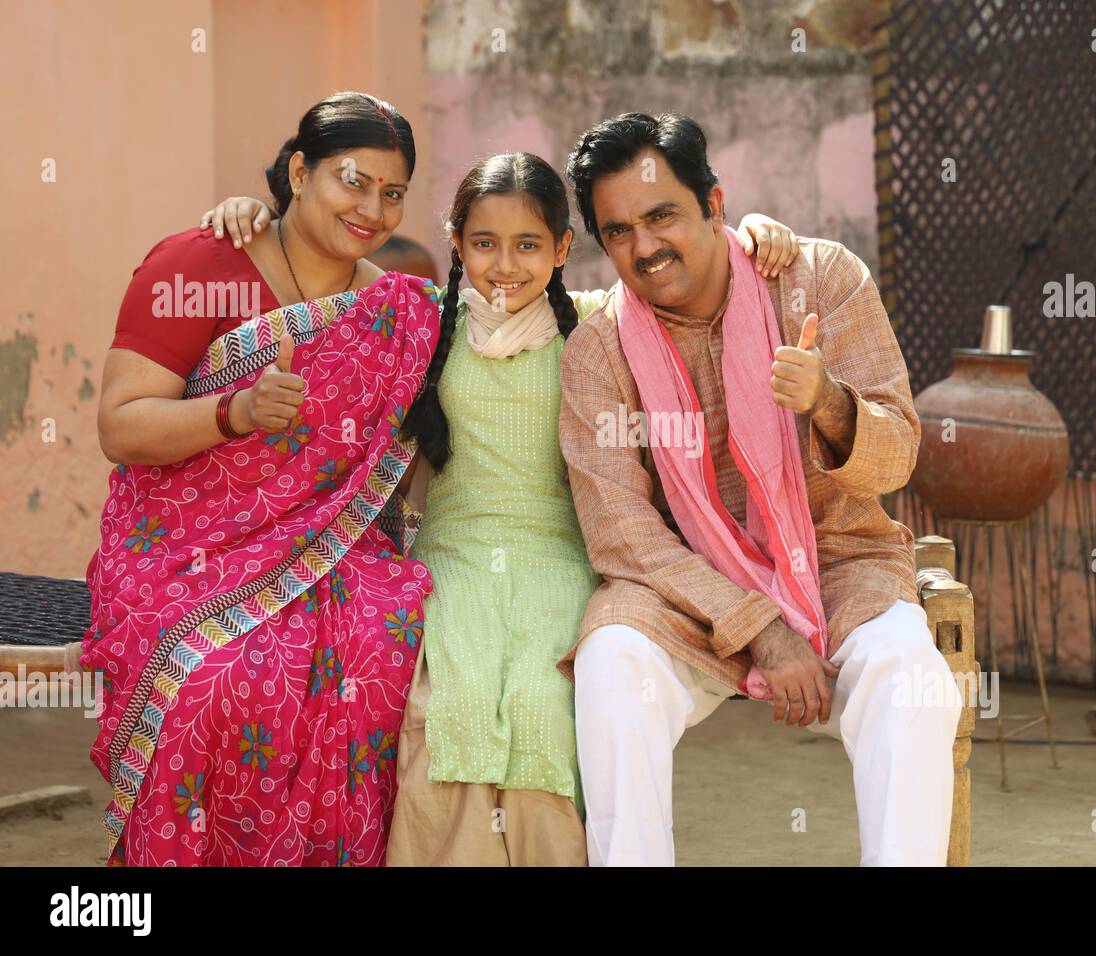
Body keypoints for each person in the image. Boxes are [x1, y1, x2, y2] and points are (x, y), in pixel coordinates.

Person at [202, 165, 799, 866]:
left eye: (527, 244)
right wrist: (258, 220)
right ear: (456, 243)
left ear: (561, 247)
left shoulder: (603, 327)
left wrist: (755, 235)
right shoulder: (422, 323)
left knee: (543, 713)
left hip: (564, 562)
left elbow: (695, 277)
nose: (505, 265)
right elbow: (322, 268)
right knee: (441, 714)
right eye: (484, 243)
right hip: (450, 563)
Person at [557, 112, 963, 866]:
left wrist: (830, 404)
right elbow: (623, 534)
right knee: (612, 662)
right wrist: (761, 627)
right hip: (686, 594)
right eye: (618, 232)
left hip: (842, 565)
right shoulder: (598, 349)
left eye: (661, 215)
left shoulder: (822, 280)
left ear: (714, 204)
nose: (644, 248)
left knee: (910, 679)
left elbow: (899, 456)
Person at [84, 92, 438, 866]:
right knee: (213, 672)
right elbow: (120, 425)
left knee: (389, 646)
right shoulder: (198, 265)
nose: (373, 208)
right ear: (301, 172)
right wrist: (234, 412)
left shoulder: (389, 306)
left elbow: (526, 314)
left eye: (393, 192)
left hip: (334, 552)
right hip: (181, 547)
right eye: (353, 181)